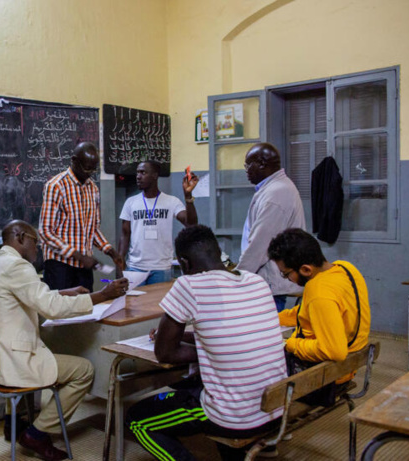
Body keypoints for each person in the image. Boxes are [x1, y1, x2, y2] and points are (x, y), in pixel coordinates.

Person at [0, 220, 128, 461]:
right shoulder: (18, 266)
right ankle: (37, 433)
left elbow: (30, 295)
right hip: (12, 360)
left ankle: (16, 423)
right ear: (21, 237)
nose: (39, 249)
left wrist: (64, 292)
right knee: (83, 370)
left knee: (46, 351)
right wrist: (102, 295)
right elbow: (51, 309)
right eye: (36, 242)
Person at [126, 225, 287, 461]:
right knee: (197, 386)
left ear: (184, 262)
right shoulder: (256, 281)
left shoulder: (188, 285)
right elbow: (229, 335)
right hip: (275, 409)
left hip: (235, 417)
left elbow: (164, 353)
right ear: (217, 251)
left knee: (137, 419)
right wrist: (212, 350)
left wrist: (207, 353)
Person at [267, 228, 371, 385]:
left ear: (306, 269)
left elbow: (335, 351)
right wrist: (271, 318)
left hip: (326, 375)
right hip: (347, 365)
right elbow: (308, 312)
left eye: (286, 274)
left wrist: (289, 344)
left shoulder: (318, 291)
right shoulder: (345, 268)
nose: (287, 279)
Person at [39, 141, 125, 291]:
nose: (89, 173)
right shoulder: (56, 186)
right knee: (61, 312)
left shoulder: (93, 188)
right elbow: (45, 232)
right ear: (74, 160)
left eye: (93, 170)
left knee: (86, 310)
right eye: (86, 168)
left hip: (84, 267)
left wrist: (110, 251)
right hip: (60, 266)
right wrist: (78, 255)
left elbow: (93, 229)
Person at [237, 142, 306, 311]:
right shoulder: (274, 188)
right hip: (267, 280)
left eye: (248, 165)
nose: (246, 170)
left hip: (269, 284)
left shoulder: (276, 193)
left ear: (261, 164)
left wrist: (238, 278)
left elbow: (261, 245)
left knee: (266, 333)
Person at [118, 160, 199, 286]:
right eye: (137, 173)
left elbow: (191, 224)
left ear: (155, 175)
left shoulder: (171, 201)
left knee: (157, 304)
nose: (138, 177)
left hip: (161, 268)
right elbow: (125, 234)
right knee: (134, 304)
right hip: (135, 267)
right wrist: (120, 261)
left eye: (143, 172)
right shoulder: (130, 202)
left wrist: (188, 195)